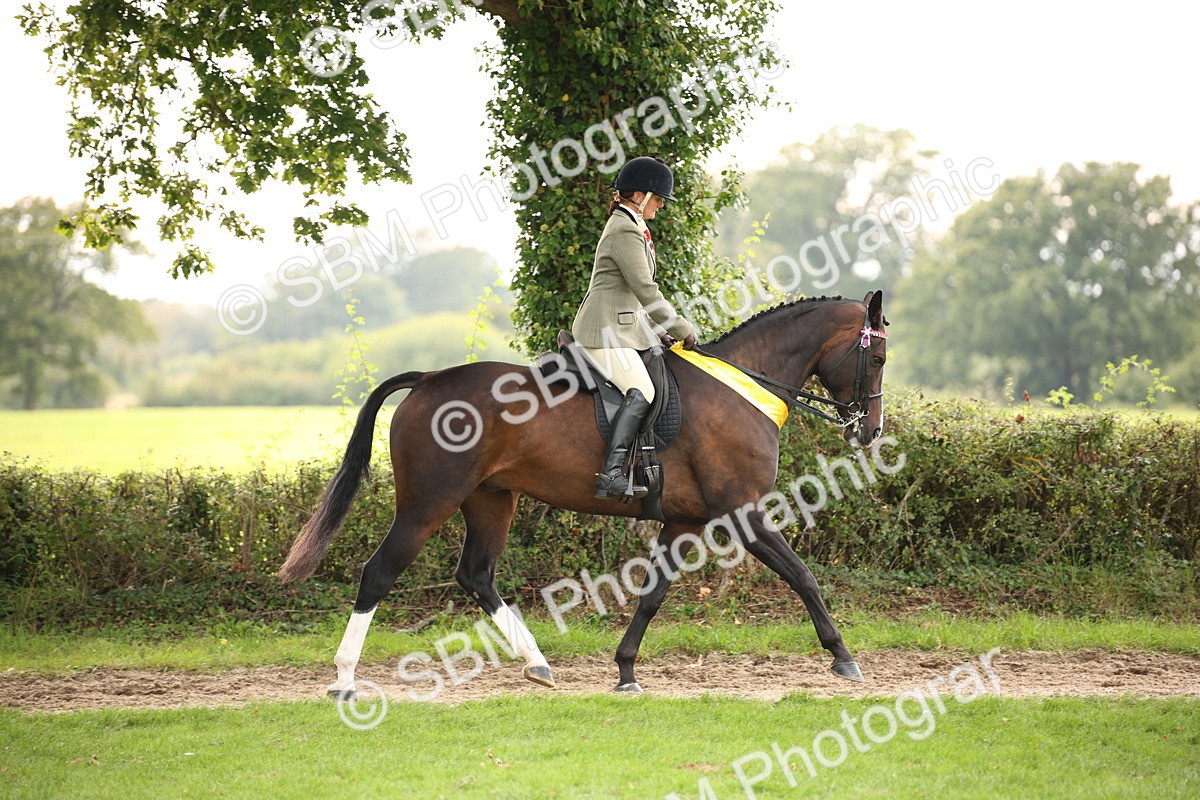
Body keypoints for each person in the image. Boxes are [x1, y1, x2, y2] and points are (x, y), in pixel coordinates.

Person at [572, 156, 698, 499]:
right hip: (603, 332)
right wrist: (682, 328)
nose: (661, 205)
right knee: (642, 389)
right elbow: (645, 289)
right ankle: (610, 474)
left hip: (622, 327)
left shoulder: (631, 224)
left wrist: (658, 331)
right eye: (658, 198)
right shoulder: (625, 229)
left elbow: (632, 298)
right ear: (639, 196)